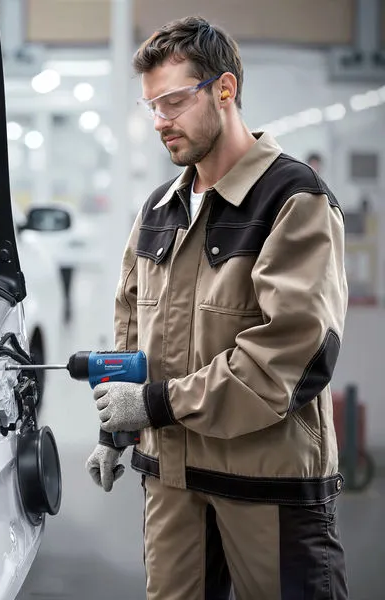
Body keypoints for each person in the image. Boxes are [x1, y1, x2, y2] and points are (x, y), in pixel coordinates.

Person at [85, 16, 349, 600]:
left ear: (224, 90)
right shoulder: (160, 208)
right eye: (151, 106)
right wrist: (118, 429)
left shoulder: (292, 199)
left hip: (265, 486)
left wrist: (154, 404)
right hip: (173, 483)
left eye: (174, 101)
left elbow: (292, 354)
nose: (160, 120)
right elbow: (132, 328)